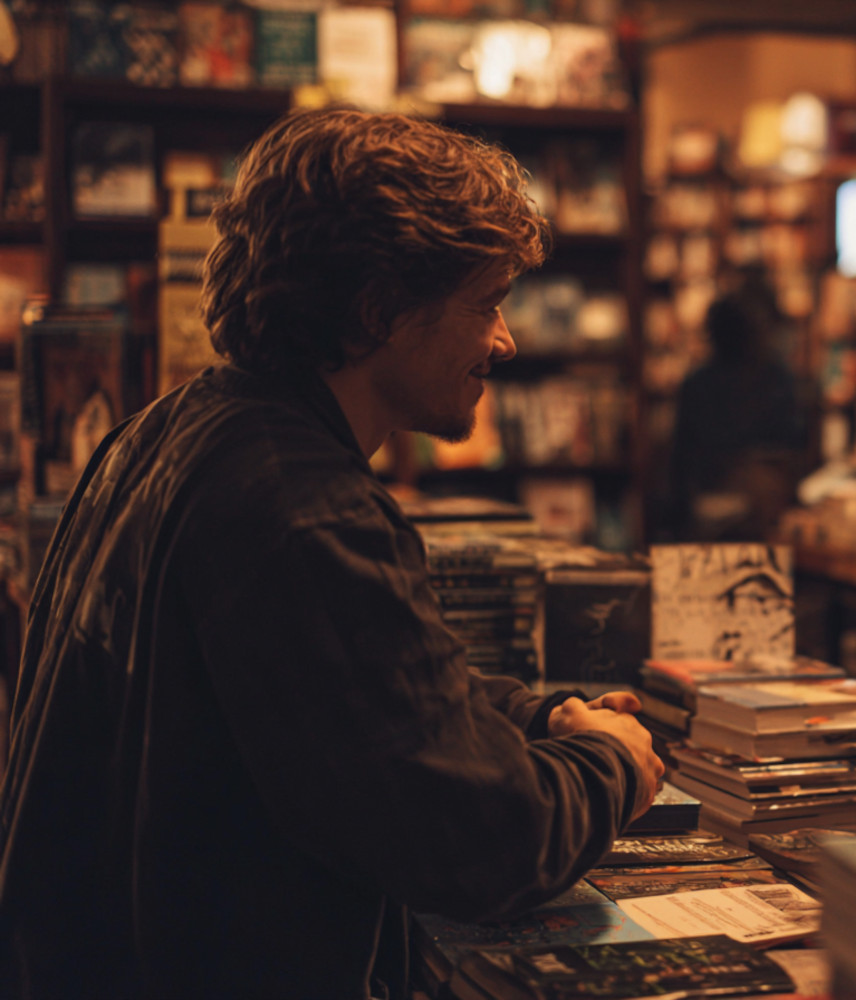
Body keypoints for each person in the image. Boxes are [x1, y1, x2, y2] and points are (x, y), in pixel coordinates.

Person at [0, 107, 664, 999]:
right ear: (379, 313)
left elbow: (370, 701)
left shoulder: (167, 431)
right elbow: (482, 843)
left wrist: (544, 718)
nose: (504, 341)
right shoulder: (301, 509)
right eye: (486, 305)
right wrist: (614, 761)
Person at [668, 286, 803, 540]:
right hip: (759, 511)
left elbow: (681, 458)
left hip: (715, 508)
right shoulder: (775, 378)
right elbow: (793, 443)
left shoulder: (697, 383)